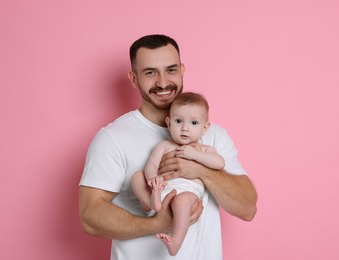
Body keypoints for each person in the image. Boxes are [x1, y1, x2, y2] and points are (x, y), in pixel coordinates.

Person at [79, 34, 257, 260]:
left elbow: (247, 208)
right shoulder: (112, 138)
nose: (163, 82)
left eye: (171, 70)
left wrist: (200, 171)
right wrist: (156, 224)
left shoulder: (213, 135)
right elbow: (90, 218)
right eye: (150, 72)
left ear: (182, 70)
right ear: (133, 79)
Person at [131, 92, 225, 256]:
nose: (185, 128)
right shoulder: (165, 145)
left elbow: (219, 163)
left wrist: (195, 155)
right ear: (168, 123)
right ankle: (152, 202)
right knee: (137, 177)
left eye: (194, 122)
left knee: (181, 201)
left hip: (188, 192)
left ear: (205, 128)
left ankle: (176, 241)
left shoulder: (203, 149)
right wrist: (153, 178)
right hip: (163, 187)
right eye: (178, 121)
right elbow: (152, 164)